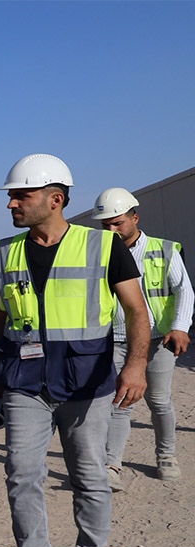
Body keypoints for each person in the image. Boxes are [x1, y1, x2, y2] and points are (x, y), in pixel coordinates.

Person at [0, 154, 148, 547]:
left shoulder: (102, 246)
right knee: (20, 473)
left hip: (86, 379)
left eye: (22, 195)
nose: (12, 204)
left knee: (89, 475)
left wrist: (134, 367)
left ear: (55, 199)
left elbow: (137, 310)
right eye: (12, 196)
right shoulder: (2, 252)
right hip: (24, 381)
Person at [93, 188, 192, 488]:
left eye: (117, 222)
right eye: (106, 225)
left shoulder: (163, 250)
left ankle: (166, 456)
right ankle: (112, 464)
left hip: (158, 340)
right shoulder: (99, 254)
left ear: (134, 218)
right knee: (120, 402)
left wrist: (181, 327)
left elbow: (184, 290)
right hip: (117, 339)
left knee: (159, 401)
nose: (111, 229)